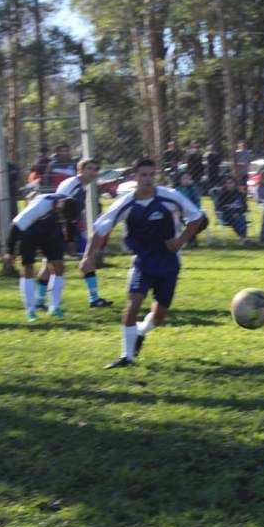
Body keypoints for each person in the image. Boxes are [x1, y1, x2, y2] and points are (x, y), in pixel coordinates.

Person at [80, 157, 207, 369]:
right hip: (142, 262)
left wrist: (180, 241)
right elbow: (100, 228)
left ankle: (141, 332)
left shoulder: (170, 197)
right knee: (133, 304)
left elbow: (197, 217)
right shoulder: (126, 202)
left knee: (159, 315)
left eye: (151, 175)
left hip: (169, 263)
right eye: (143, 175)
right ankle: (127, 356)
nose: (147, 179)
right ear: (134, 177)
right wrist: (88, 256)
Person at [35, 158, 113, 309]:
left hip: (62, 227)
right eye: (89, 168)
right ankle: (93, 298)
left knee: (57, 263)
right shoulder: (75, 186)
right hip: (57, 228)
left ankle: (93, 298)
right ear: (80, 170)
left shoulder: (79, 186)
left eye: (95, 169)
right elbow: (63, 209)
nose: (93, 172)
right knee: (62, 262)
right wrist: (69, 238)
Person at [3, 194, 81, 321]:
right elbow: (16, 225)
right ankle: (31, 311)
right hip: (30, 232)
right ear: (57, 208)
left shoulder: (70, 205)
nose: (63, 219)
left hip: (51, 231)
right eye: (61, 217)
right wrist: (9, 251)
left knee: (58, 266)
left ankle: (54, 308)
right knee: (28, 267)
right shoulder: (40, 206)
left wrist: (70, 241)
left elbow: (71, 222)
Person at [214, 176, 249, 244]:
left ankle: (243, 238)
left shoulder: (239, 194)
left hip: (238, 214)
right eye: (227, 183)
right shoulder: (223, 194)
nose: (229, 185)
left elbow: (245, 207)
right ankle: (243, 238)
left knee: (241, 218)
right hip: (226, 216)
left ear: (234, 184)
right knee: (237, 219)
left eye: (231, 183)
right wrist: (231, 212)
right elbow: (219, 207)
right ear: (225, 184)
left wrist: (238, 212)